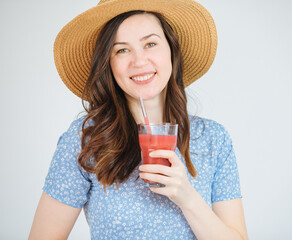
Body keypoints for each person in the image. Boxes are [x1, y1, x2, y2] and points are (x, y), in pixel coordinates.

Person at [29, 0, 248, 239]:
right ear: (109, 64)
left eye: (150, 44)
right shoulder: (87, 139)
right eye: (122, 49)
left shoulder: (213, 139)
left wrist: (188, 199)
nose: (139, 61)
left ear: (172, 51)